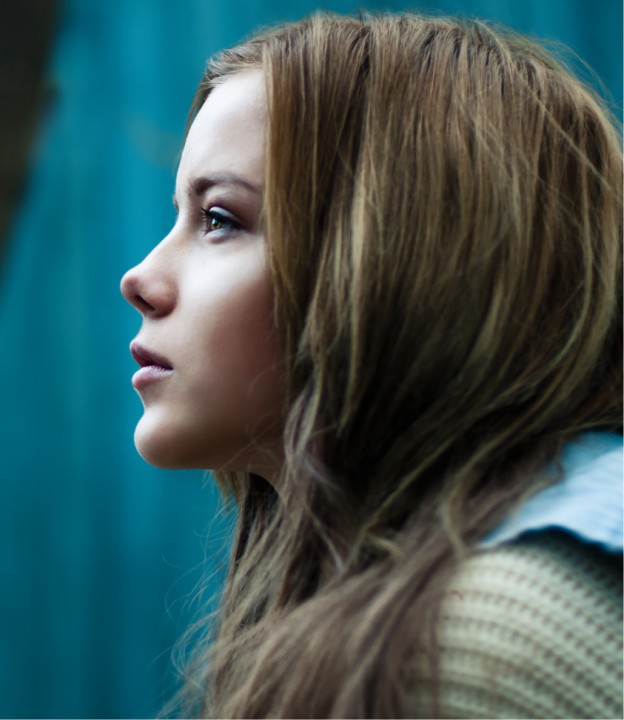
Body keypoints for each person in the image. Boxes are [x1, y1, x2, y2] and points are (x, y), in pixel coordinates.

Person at [120, 12, 622, 718]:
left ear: (404, 263)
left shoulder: (467, 654)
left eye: (221, 219)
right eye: (181, 215)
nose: (140, 277)